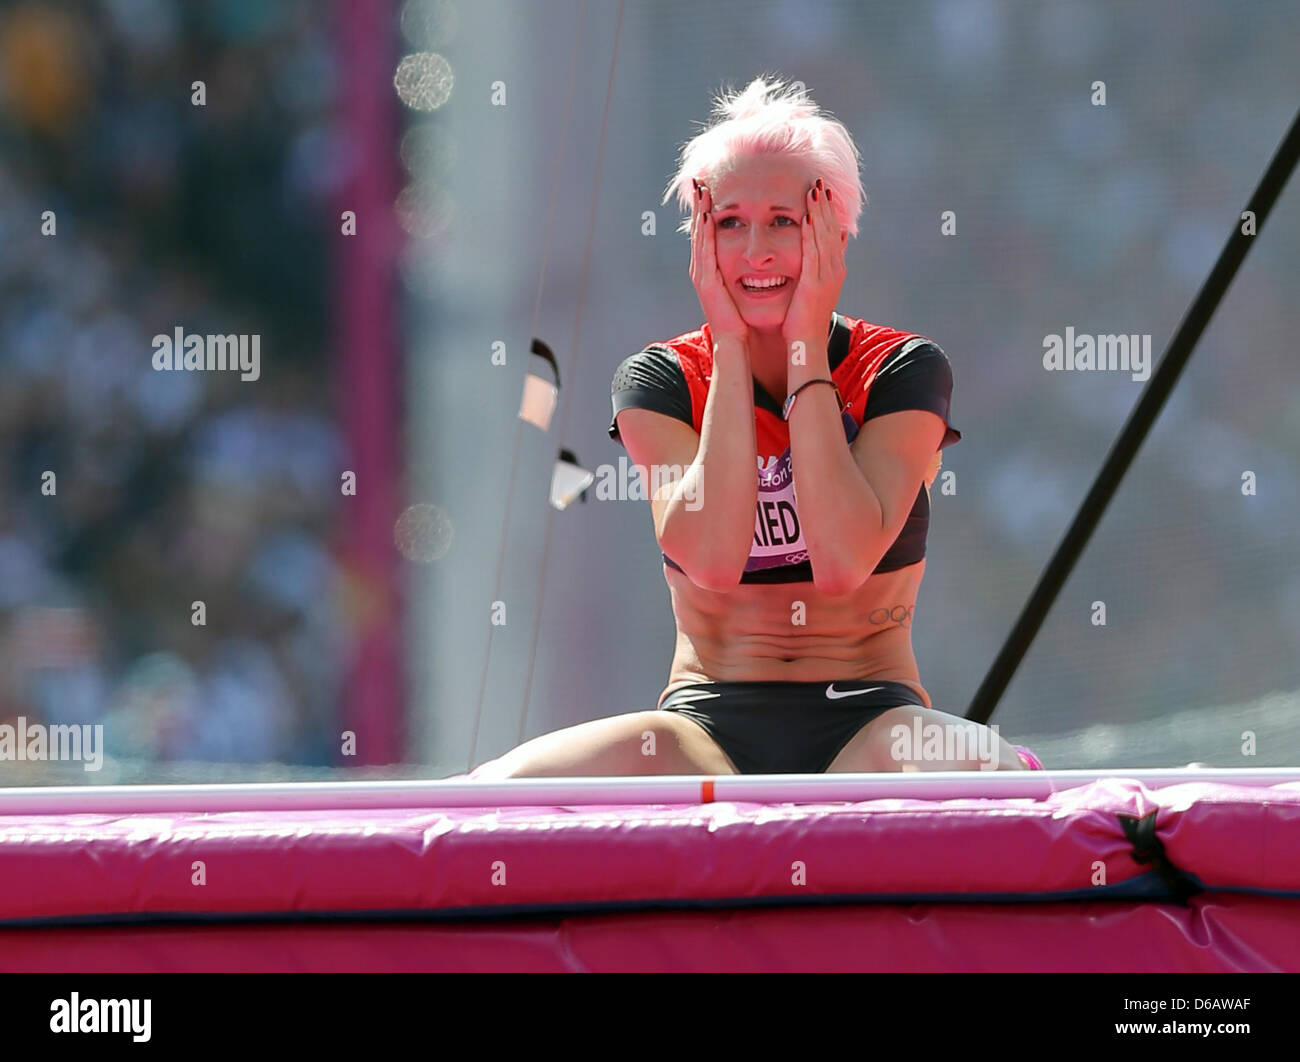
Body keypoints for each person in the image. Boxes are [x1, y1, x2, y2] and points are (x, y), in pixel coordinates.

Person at [471, 76, 1031, 778]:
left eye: (784, 222)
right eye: (729, 223)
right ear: (699, 238)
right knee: (493, 793)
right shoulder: (659, 380)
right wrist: (731, 347)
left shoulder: (903, 369)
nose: (755, 251)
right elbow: (710, 560)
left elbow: (842, 562)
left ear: (835, 229)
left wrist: (803, 349)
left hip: (870, 718)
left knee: (994, 778)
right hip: (704, 722)